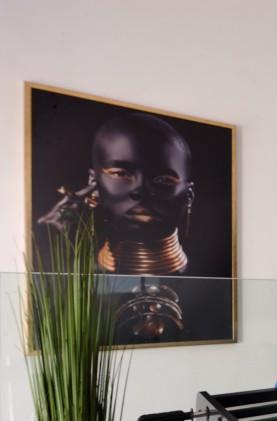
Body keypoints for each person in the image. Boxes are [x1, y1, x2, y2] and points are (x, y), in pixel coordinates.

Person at [38, 113, 198, 339]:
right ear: (94, 184)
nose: (140, 191)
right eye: (121, 174)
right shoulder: (78, 282)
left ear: (188, 195)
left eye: (163, 179)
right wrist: (50, 242)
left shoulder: (212, 281)